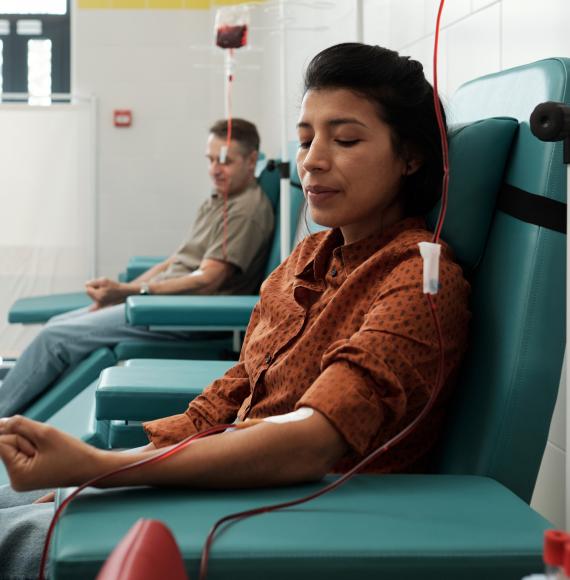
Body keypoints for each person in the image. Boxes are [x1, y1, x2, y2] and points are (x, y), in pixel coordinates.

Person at [0, 43, 470, 578]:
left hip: (306, 512)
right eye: (305, 139)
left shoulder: (419, 284)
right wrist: (109, 471)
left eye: (345, 139)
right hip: (235, 481)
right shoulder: (309, 259)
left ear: (411, 156)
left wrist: (105, 469)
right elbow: (237, 387)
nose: (313, 159)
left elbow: (312, 443)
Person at [0, 118, 275, 418]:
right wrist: (124, 296)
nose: (214, 169)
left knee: (55, 340)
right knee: (56, 327)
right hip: (156, 304)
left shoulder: (245, 211)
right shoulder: (220, 199)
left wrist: (133, 293)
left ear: (251, 161)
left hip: (180, 317)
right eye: (210, 160)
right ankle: (16, 414)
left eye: (225, 161)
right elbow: (174, 261)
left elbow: (207, 280)